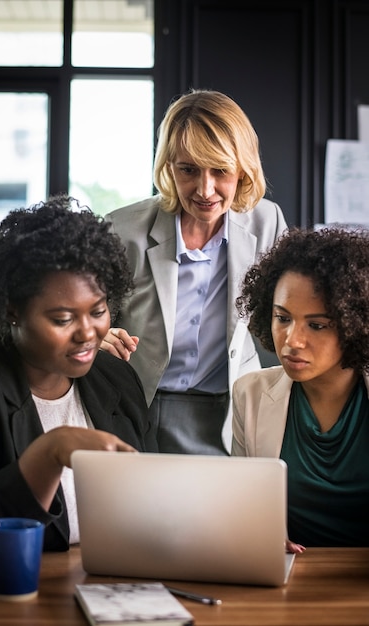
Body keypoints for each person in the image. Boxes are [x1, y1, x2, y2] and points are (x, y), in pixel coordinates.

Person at [0, 194, 157, 562]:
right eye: (63, 319)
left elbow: (153, 505)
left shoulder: (117, 378)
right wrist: (52, 450)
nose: (88, 333)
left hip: (113, 585)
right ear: (12, 312)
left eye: (99, 311)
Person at [101, 89, 287, 455]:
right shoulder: (122, 230)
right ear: (168, 166)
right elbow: (89, 322)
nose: (205, 190)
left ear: (243, 170)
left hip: (229, 406)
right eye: (188, 169)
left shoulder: (267, 222)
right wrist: (99, 336)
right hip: (137, 404)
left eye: (220, 171)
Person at [232, 226, 369, 552]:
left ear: (355, 325)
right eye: (283, 318)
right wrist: (256, 534)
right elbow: (243, 511)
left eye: (317, 325)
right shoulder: (249, 394)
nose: (292, 340)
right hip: (285, 579)